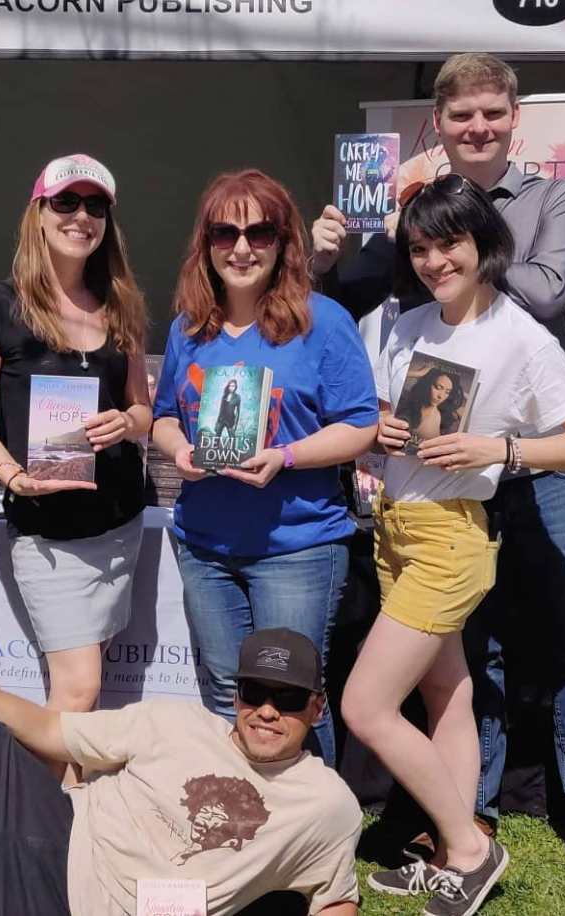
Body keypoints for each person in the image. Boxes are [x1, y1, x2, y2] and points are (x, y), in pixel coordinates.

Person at [312, 52, 565, 890]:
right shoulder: (407, 324)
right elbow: (372, 402)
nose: (434, 261)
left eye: (451, 247)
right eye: (422, 249)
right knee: (454, 691)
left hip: (475, 515)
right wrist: (382, 430)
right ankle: (454, 836)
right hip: (404, 519)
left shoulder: (521, 317)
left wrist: (496, 449)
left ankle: (480, 845)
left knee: (368, 703)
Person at [0, 627, 362, 916]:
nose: (267, 710)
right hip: (56, 818)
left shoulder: (326, 803)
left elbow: (334, 900)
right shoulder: (176, 720)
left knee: (8, 855)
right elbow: (52, 733)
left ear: (317, 707)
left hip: (80, 900)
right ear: (236, 694)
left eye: (287, 698)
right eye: (255, 692)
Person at [151, 168, 379, 766]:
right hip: (205, 545)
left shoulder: (323, 321)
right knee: (229, 695)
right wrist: (180, 452)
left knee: (292, 698)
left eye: (260, 232)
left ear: (285, 242)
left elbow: (362, 427)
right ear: (206, 245)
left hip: (297, 546)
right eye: (225, 233)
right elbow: (164, 417)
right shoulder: (188, 328)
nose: (242, 247)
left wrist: (286, 456)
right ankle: (244, 831)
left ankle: (316, 840)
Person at [0, 154, 150, 756]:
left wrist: (126, 422)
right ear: (38, 215)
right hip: (47, 529)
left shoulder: (121, 305)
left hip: (118, 524)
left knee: (89, 684)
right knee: (79, 687)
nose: (81, 217)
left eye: (95, 206)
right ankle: (38, 819)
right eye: (66, 203)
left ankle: (73, 805)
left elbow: (144, 410)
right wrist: (13, 476)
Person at [396, 368, 465, 447]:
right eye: (438, 387)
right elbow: (392, 379)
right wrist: (417, 373)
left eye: (447, 392)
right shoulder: (408, 401)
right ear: (428, 384)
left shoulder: (439, 416)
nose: (441, 396)